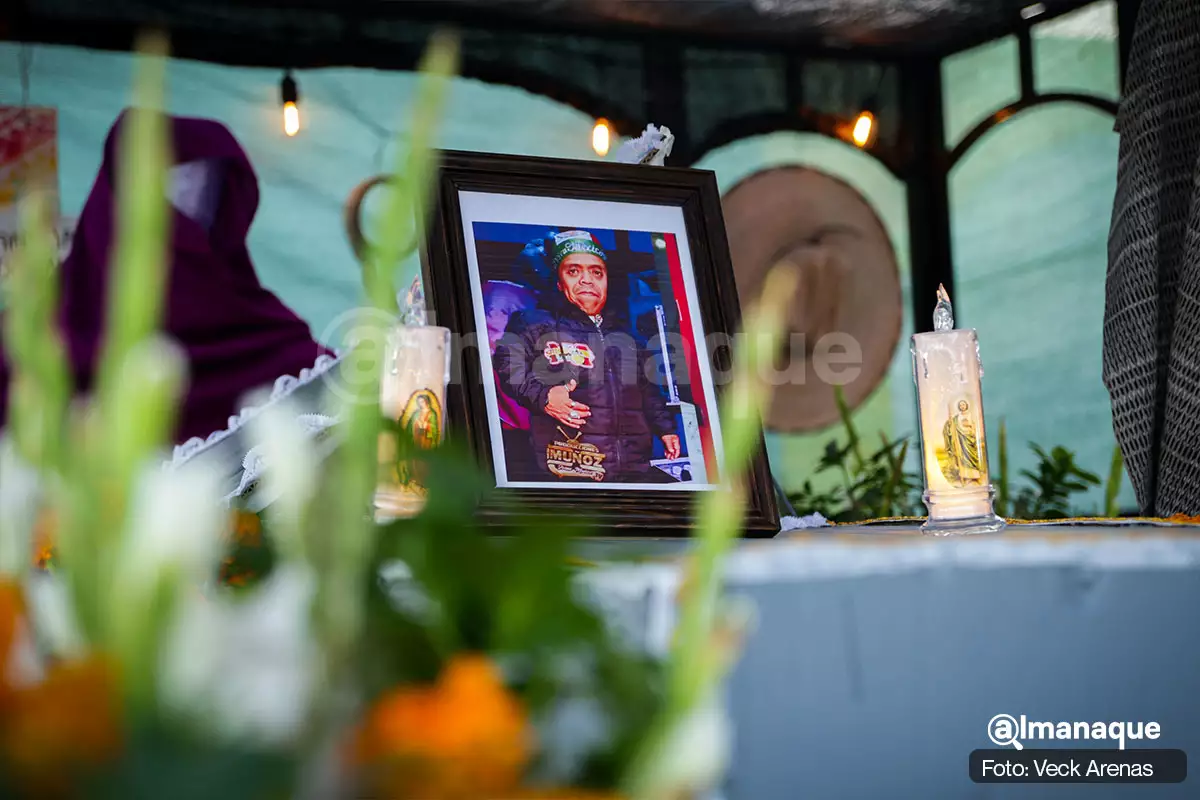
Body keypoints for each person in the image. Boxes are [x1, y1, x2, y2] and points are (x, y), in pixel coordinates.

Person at [0, 111, 332, 445]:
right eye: (170, 188)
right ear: (118, 199)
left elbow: (329, 385)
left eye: (208, 189)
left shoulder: (261, 328)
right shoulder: (30, 337)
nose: (193, 206)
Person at [493, 229, 680, 483]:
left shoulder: (625, 334)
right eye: (573, 271)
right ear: (559, 282)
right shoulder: (535, 323)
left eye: (596, 272)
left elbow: (646, 389)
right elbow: (507, 364)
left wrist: (666, 429)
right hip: (572, 470)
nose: (587, 280)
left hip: (633, 469)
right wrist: (544, 397)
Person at [942, 399, 983, 486]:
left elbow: (974, 427)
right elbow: (952, 427)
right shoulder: (956, 418)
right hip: (961, 441)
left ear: (966, 406)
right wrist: (949, 424)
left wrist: (969, 425)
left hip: (969, 440)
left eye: (963, 405)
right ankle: (965, 477)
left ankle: (974, 477)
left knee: (971, 459)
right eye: (960, 405)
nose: (962, 406)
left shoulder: (970, 415)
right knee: (962, 459)